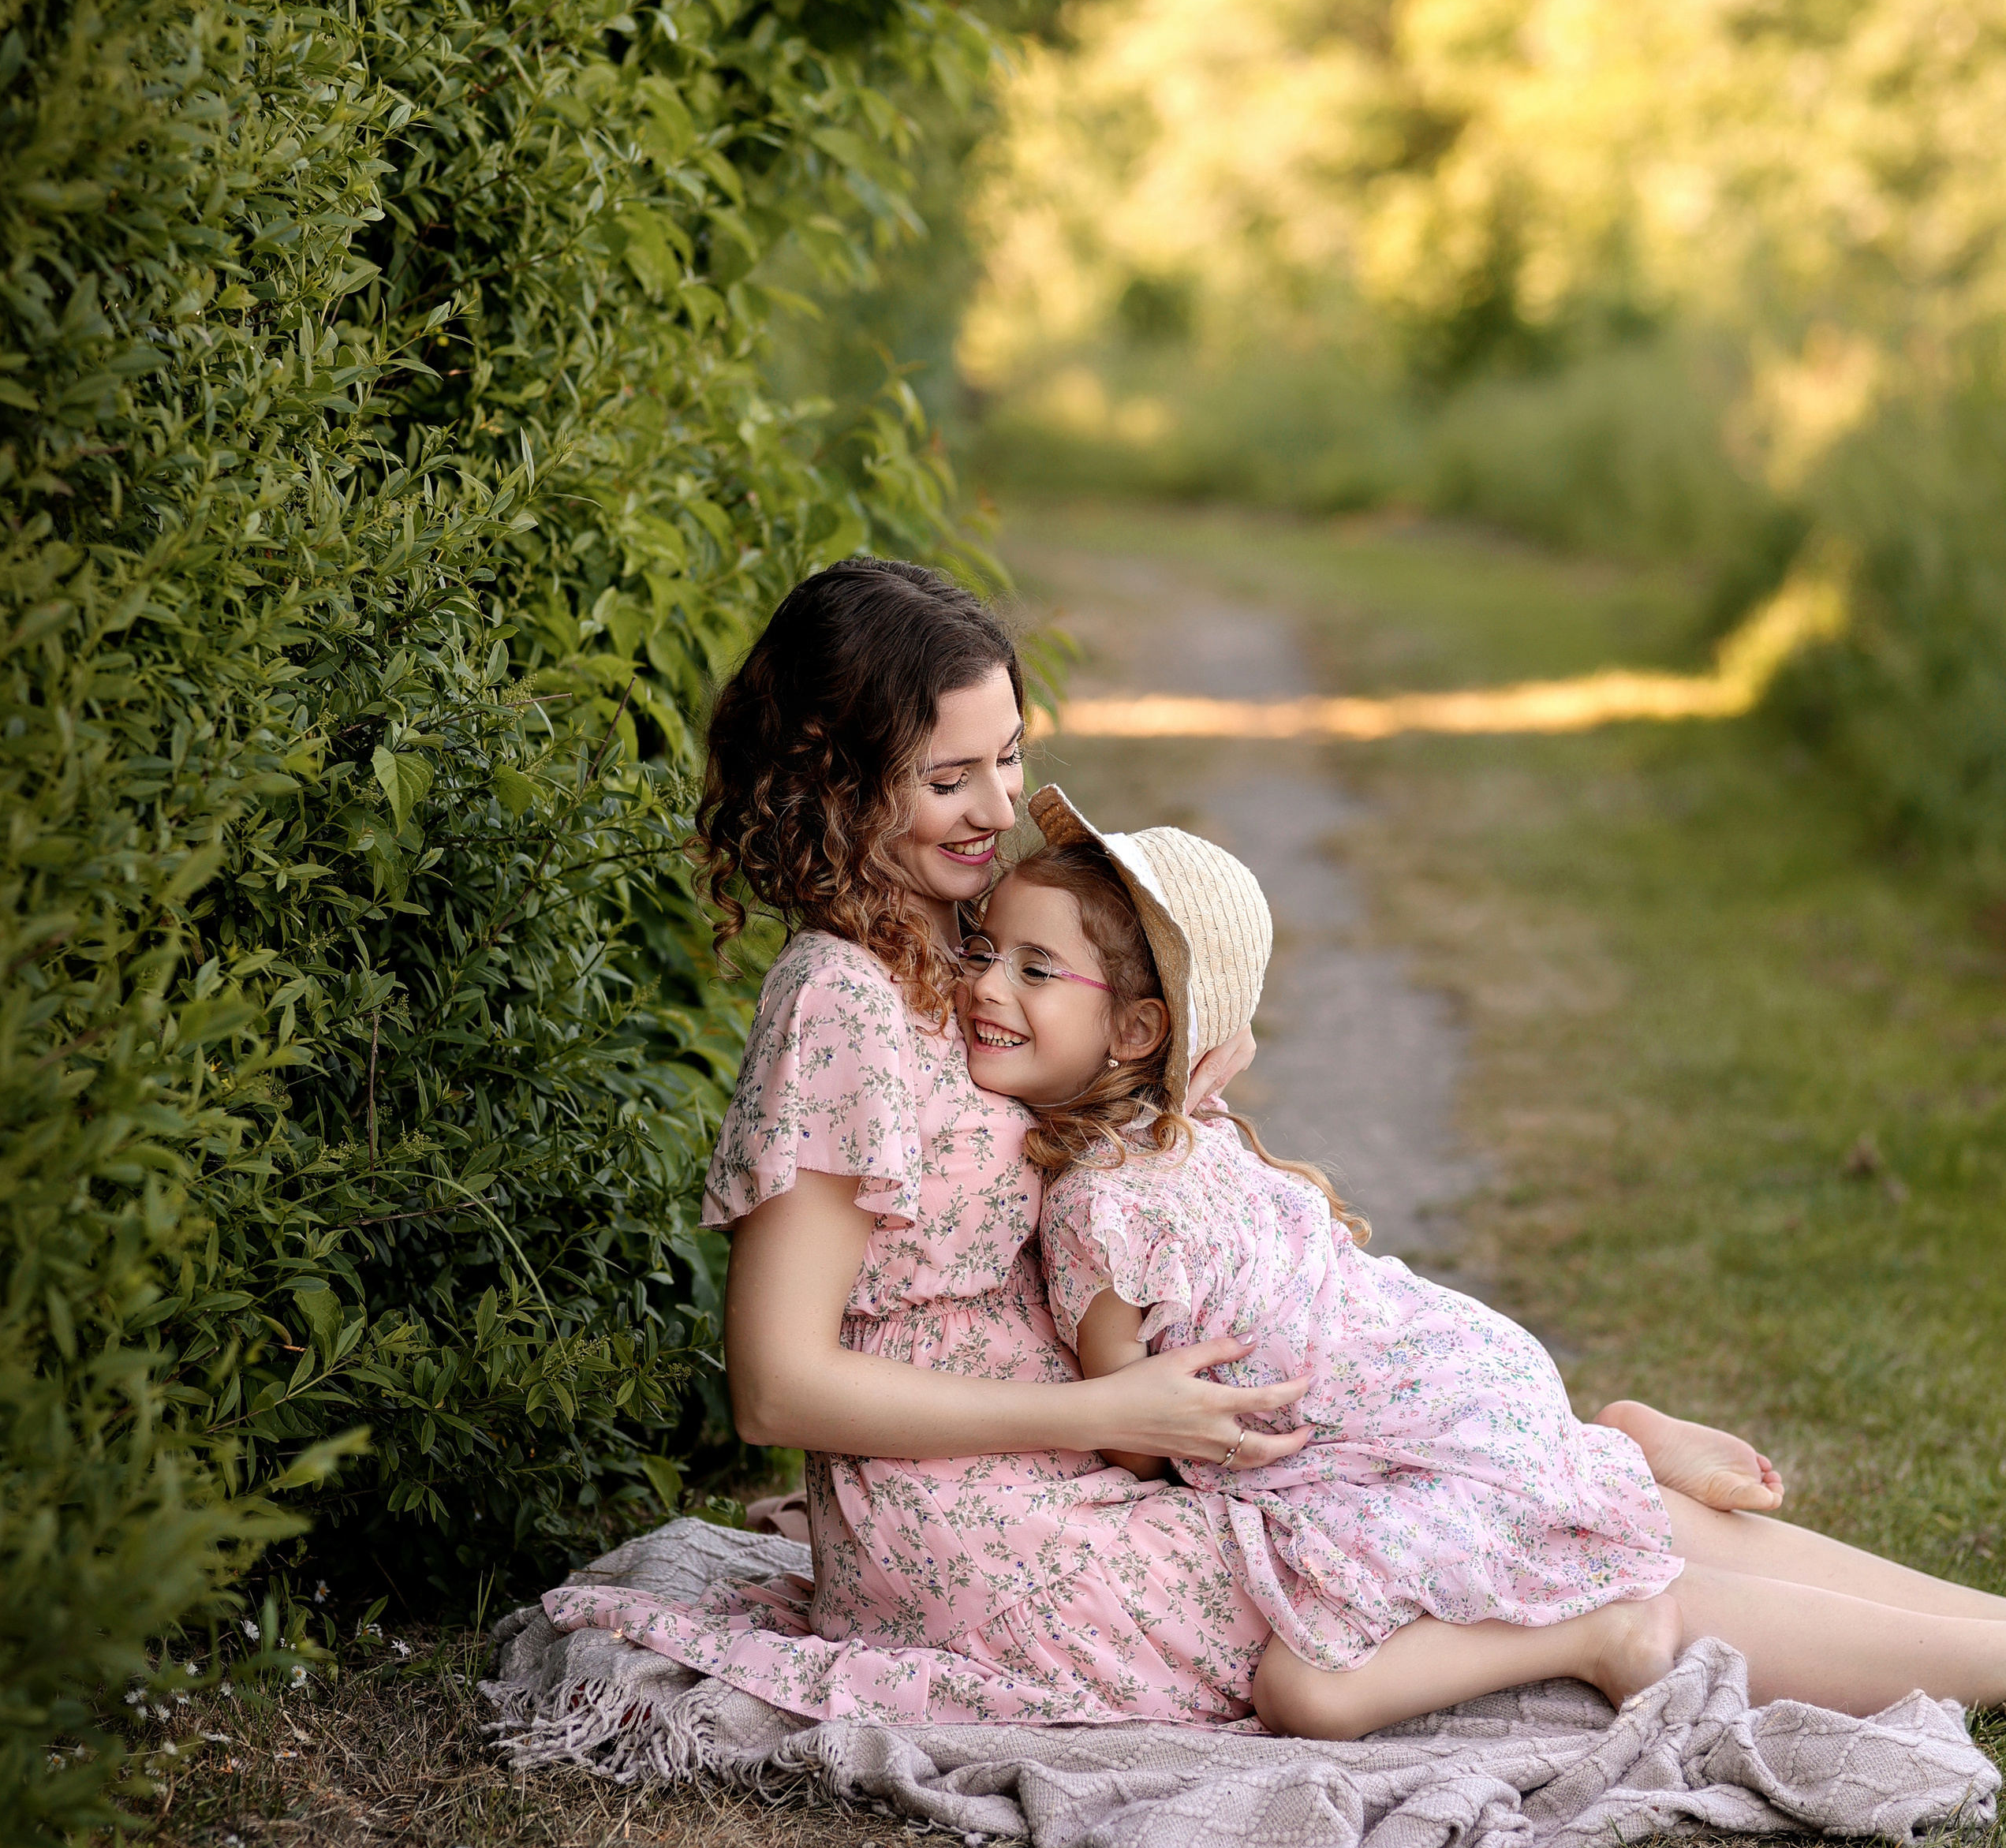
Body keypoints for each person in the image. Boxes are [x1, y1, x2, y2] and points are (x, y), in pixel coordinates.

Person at [955, 784, 2006, 1738]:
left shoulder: (1095, 1205)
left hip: (1387, 1446)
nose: (985, 986)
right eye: (983, 949)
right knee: (1599, 1521)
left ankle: (1608, 1626)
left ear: (1138, 1028)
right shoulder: (1187, 1124)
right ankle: (1629, 1455)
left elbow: (1132, 1435)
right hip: (1449, 1368)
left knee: (1311, 1690)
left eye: (1033, 968)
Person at [540, 555, 1310, 1724]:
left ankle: (1649, 1486)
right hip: (960, 1519)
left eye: (1008, 756)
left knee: (1373, 1512)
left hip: (1065, 1459)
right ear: (834, 784)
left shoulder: (974, 950)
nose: (1002, 811)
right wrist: (1106, 1417)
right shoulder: (839, 1001)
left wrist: (1177, 1088)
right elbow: (775, 1386)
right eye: (951, 777)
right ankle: (1637, 1607)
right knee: (1337, 1593)